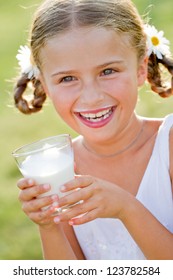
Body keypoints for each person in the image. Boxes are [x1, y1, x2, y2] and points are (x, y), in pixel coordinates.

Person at [14, 0, 173, 260]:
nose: (91, 97)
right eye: (67, 78)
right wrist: (49, 226)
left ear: (140, 69)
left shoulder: (168, 145)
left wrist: (126, 208)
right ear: (44, 85)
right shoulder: (60, 170)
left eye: (108, 71)